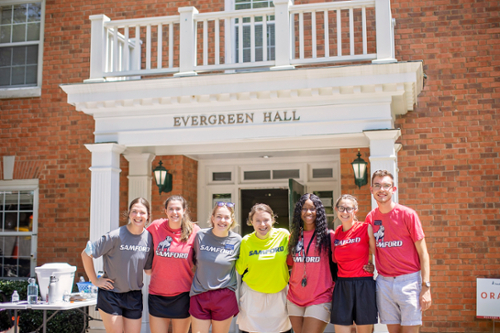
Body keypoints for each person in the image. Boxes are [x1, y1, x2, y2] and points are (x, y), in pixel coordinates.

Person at [366, 169, 432, 333]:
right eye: (377, 185)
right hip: (384, 283)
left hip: (409, 282)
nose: (382, 189)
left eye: (386, 185)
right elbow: (371, 249)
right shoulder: (371, 218)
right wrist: (368, 264)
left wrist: (426, 287)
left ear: (393, 189)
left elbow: (423, 253)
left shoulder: (407, 215)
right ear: (371, 189)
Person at [81, 197, 153, 333]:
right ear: (129, 213)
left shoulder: (149, 239)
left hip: (134, 296)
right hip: (111, 295)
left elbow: (149, 270)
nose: (138, 216)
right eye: (134, 211)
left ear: (148, 216)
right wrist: (95, 280)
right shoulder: (115, 236)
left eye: (142, 212)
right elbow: (86, 254)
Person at [146, 196, 200, 333]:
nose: (174, 212)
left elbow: (203, 258)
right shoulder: (155, 227)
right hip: (157, 295)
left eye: (178, 209)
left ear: (184, 210)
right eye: (171, 209)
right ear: (165, 211)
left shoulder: (194, 231)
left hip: (183, 295)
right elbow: (139, 242)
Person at [236, 203, 292, 333]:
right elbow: (239, 268)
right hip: (253, 297)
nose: (262, 224)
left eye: (266, 220)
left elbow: (293, 261)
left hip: (279, 295)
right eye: (258, 221)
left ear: (273, 219)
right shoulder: (246, 241)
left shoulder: (283, 235)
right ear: (251, 222)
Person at [190, 202, 242, 333]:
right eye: (219, 216)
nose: (222, 220)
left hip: (224, 295)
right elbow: (194, 260)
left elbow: (240, 266)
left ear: (232, 220)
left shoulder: (237, 241)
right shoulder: (200, 236)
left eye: (226, 217)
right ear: (212, 218)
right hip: (200, 293)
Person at [287, 193, 335, 333]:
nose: (308, 212)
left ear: (318, 211)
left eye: (312, 208)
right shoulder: (293, 237)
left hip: (320, 297)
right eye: (304, 208)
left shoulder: (328, 236)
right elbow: (290, 264)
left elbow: (341, 261)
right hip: (294, 298)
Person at [331, 194, 377, 333]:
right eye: (341, 208)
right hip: (342, 285)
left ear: (355, 210)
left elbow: (378, 254)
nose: (345, 212)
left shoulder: (365, 228)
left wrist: (374, 268)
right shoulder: (337, 233)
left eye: (348, 208)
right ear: (336, 209)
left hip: (363, 284)